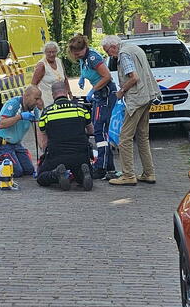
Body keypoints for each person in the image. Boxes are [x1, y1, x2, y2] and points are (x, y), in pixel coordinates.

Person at [101, 35, 159, 186]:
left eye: (108, 52)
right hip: (148, 95)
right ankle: (149, 172)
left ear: (113, 47)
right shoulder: (134, 48)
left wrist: (122, 91)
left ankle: (128, 175)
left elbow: (134, 77)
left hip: (137, 98)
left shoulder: (123, 54)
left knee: (124, 137)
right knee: (142, 136)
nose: (110, 56)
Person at [68, 34, 116, 180]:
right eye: (74, 53)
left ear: (85, 48)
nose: (76, 55)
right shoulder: (84, 58)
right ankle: (108, 166)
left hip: (105, 94)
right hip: (99, 96)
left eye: (78, 53)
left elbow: (107, 76)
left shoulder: (93, 58)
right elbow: (89, 71)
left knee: (99, 130)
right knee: (98, 129)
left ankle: (101, 166)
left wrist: (93, 90)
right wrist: (83, 77)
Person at [36, 81, 94, 191]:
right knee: (81, 173)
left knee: (41, 177)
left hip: (57, 155)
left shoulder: (47, 113)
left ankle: (56, 174)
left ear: (53, 95)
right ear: (66, 92)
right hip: (80, 154)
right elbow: (91, 130)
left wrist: (45, 151)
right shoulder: (80, 108)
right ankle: (83, 173)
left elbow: (43, 136)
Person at [0, 85, 43, 177]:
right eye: (36, 99)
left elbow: (38, 130)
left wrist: (44, 148)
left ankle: (9, 157)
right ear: (26, 96)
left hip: (16, 144)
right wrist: (20, 117)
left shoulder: (34, 109)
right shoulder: (13, 104)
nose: (38, 102)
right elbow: (1, 124)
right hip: (2, 143)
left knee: (29, 170)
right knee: (16, 172)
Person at [31, 41, 72, 108]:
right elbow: (33, 85)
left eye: (54, 52)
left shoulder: (59, 61)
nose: (51, 54)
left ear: (57, 52)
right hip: (47, 101)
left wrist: (69, 93)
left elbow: (65, 78)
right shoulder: (42, 65)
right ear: (45, 53)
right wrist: (38, 100)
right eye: (49, 52)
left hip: (61, 99)